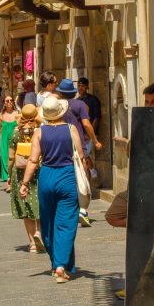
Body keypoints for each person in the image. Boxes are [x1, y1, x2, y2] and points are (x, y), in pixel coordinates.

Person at [19, 96, 82, 282]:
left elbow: (33, 160)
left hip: (46, 177)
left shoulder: (39, 132)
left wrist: (24, 183)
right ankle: (61, 265)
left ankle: (57, 263)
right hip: (67, 176)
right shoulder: (71, 129)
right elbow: (80, 157)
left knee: (48, 222)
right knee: (66, 222)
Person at [56, 79, 101, 228]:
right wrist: (95, 140)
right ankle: (83, 210)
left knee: (66, 176)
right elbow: (86, 124)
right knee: (82, 174)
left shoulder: (56, 105)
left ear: (60, 92)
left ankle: (68, 210)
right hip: (78, 144)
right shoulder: (80, 104)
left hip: (60, 144)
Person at [8, 104, 43, 252]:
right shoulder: (40, 132)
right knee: (39, 203)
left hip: (20, 173)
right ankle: (39, 232)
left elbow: (11, 157)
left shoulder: (16, 133)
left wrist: (9, 175)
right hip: (37, 170)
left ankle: (32, 244)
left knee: (26, 207)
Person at [0, 95, 20, 187]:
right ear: (4, 103)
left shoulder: (18, 114)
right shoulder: (0, 115)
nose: (9, 102)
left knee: (14, 159)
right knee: (5, 160)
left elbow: (20, 127)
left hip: (15, 140)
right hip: (4, 140)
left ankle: (13, 180)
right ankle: (8, 183)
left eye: (11, 100)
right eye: (7, 101)